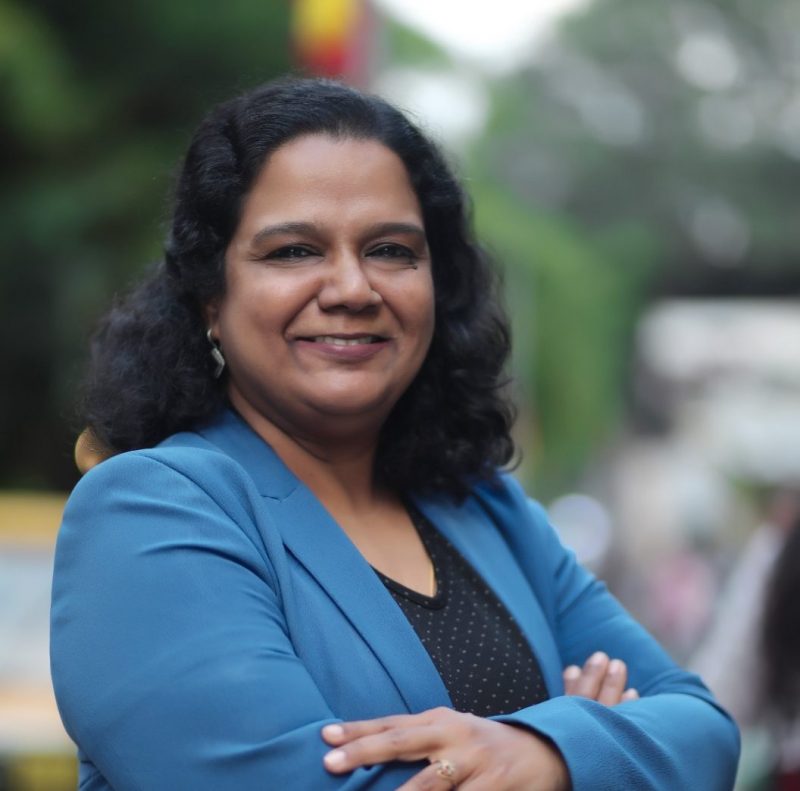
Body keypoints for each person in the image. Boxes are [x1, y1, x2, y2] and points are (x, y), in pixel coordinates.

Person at [50, 77, 739, 790]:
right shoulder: (152, 513)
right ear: (209, 299)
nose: (353, 288)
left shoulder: (484, 508)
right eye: (293, 251)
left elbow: (705, 734)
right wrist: (601, 745)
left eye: (390, 250)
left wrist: (548, 751)